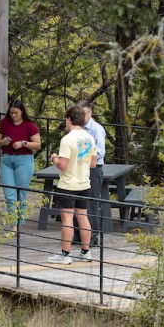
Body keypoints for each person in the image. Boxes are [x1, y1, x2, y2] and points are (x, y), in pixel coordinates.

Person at [47, 105, 97, 265]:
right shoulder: (89, 138)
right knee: (83, 217)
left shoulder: (67, 139)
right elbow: (93, 163)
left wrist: (54, 158)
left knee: (67, 219)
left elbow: (63, 165)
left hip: (68, 184)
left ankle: (65, 255)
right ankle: (86, 252)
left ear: (69, 119)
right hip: (84, 183)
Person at [0, 99, 42, 235]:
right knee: (9, 194)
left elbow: (38, 144)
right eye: (11, 113)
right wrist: (3, 141)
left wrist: (23, 143)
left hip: (24, 160)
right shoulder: (4, 123)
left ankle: (18, 225)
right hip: (7, 159)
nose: (14, 115)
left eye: (16, 113)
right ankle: (13, 225)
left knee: (21, 193)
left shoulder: (30, 125)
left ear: (22, 112)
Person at [72, 100, 106, 246]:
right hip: (78, 168)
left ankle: (92, 236)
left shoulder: (96, 129)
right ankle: (78, 235)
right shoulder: (75, 129)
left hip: (93, 168)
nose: (81, 116)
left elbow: (100, 152)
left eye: (84, 113)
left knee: (91, 202)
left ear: (90, 113)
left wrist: (82, 156)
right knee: (77, 200)